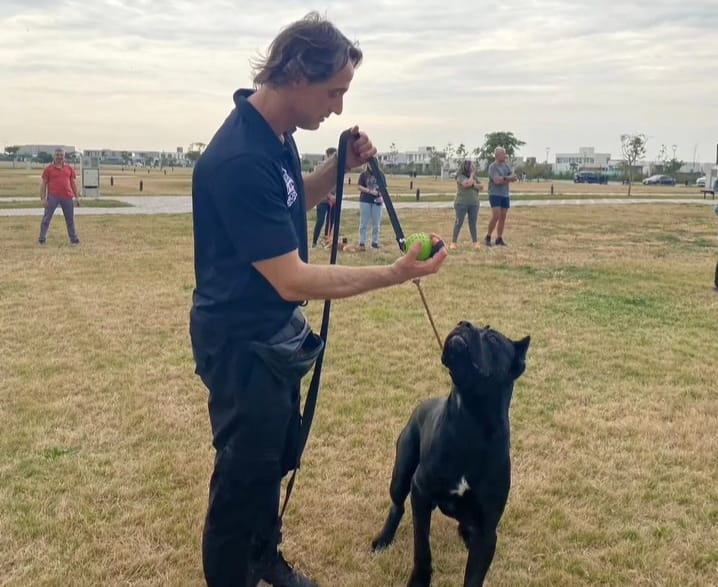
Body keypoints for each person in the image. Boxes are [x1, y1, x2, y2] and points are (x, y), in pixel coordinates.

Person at [189, 13, 447, 587]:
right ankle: (237, 568)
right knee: (243, 475)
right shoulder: (239, 158)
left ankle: (264, 558)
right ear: (298, 72)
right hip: (240, 342)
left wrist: (338, 166)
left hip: (272, 339)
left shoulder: (275, 138)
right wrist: (395, 272)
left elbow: (290, 203)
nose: (337, 107)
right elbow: (292, 279)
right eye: (334, 92)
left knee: (277, 454)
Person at [38, 148, 80, 245]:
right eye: (57, 155)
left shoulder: (69, 168)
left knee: (70, 219)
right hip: (53, 197)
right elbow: (43, 184)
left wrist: (77, 197)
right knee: (46, 218)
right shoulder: (48, 169)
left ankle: (73, 239)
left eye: (61, 155)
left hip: (67, 197)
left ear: (64, 156)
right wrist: (43, 198)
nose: (59, 157)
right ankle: (42, 238)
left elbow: (72, 183)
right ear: (54, 156)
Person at [485, 147, 517, 247]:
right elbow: (496, 181)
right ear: (497, 155)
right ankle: (488, 236)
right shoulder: (492, 167)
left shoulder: (507, 166)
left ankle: (499, 238)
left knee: (503, 217)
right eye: (503, 154)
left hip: (505, 194)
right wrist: (507, 179)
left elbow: (514, 177)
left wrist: (504, 178)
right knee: (496, 216)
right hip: (495, 194)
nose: (505, 155)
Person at [449, 160, 482, 250]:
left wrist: (473, 184)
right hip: (461, 203)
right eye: (471, 166)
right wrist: (472, 176)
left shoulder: (474, 177)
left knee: (473, 223)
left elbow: (481, 186)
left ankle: (475, 242)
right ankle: (453, 242)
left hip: (474, 203)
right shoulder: (460, 176)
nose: (473, 168)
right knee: (459, 222)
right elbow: (467, 184)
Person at [311, 147, 337, 248]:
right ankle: (314, 242)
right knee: (320, 220)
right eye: (332, 156)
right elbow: (319, 185)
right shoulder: (320, 168)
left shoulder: (338, 169)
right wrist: (329, 196)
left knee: (331, 221)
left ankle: (326, 241)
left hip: (334, 200)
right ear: (328, 156)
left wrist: (336, 197)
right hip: (322, 200)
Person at [356, 163, 384, 251]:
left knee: (376, 223)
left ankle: (375, 242)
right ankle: (362, 242)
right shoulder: (363, 174)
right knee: (364, 222)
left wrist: (381, 197)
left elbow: (384, 187)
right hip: (365, 200)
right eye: (370, 164)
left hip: (377, 201)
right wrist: (369, 191)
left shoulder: (380, 174)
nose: (371, 166)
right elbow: (359, 186)